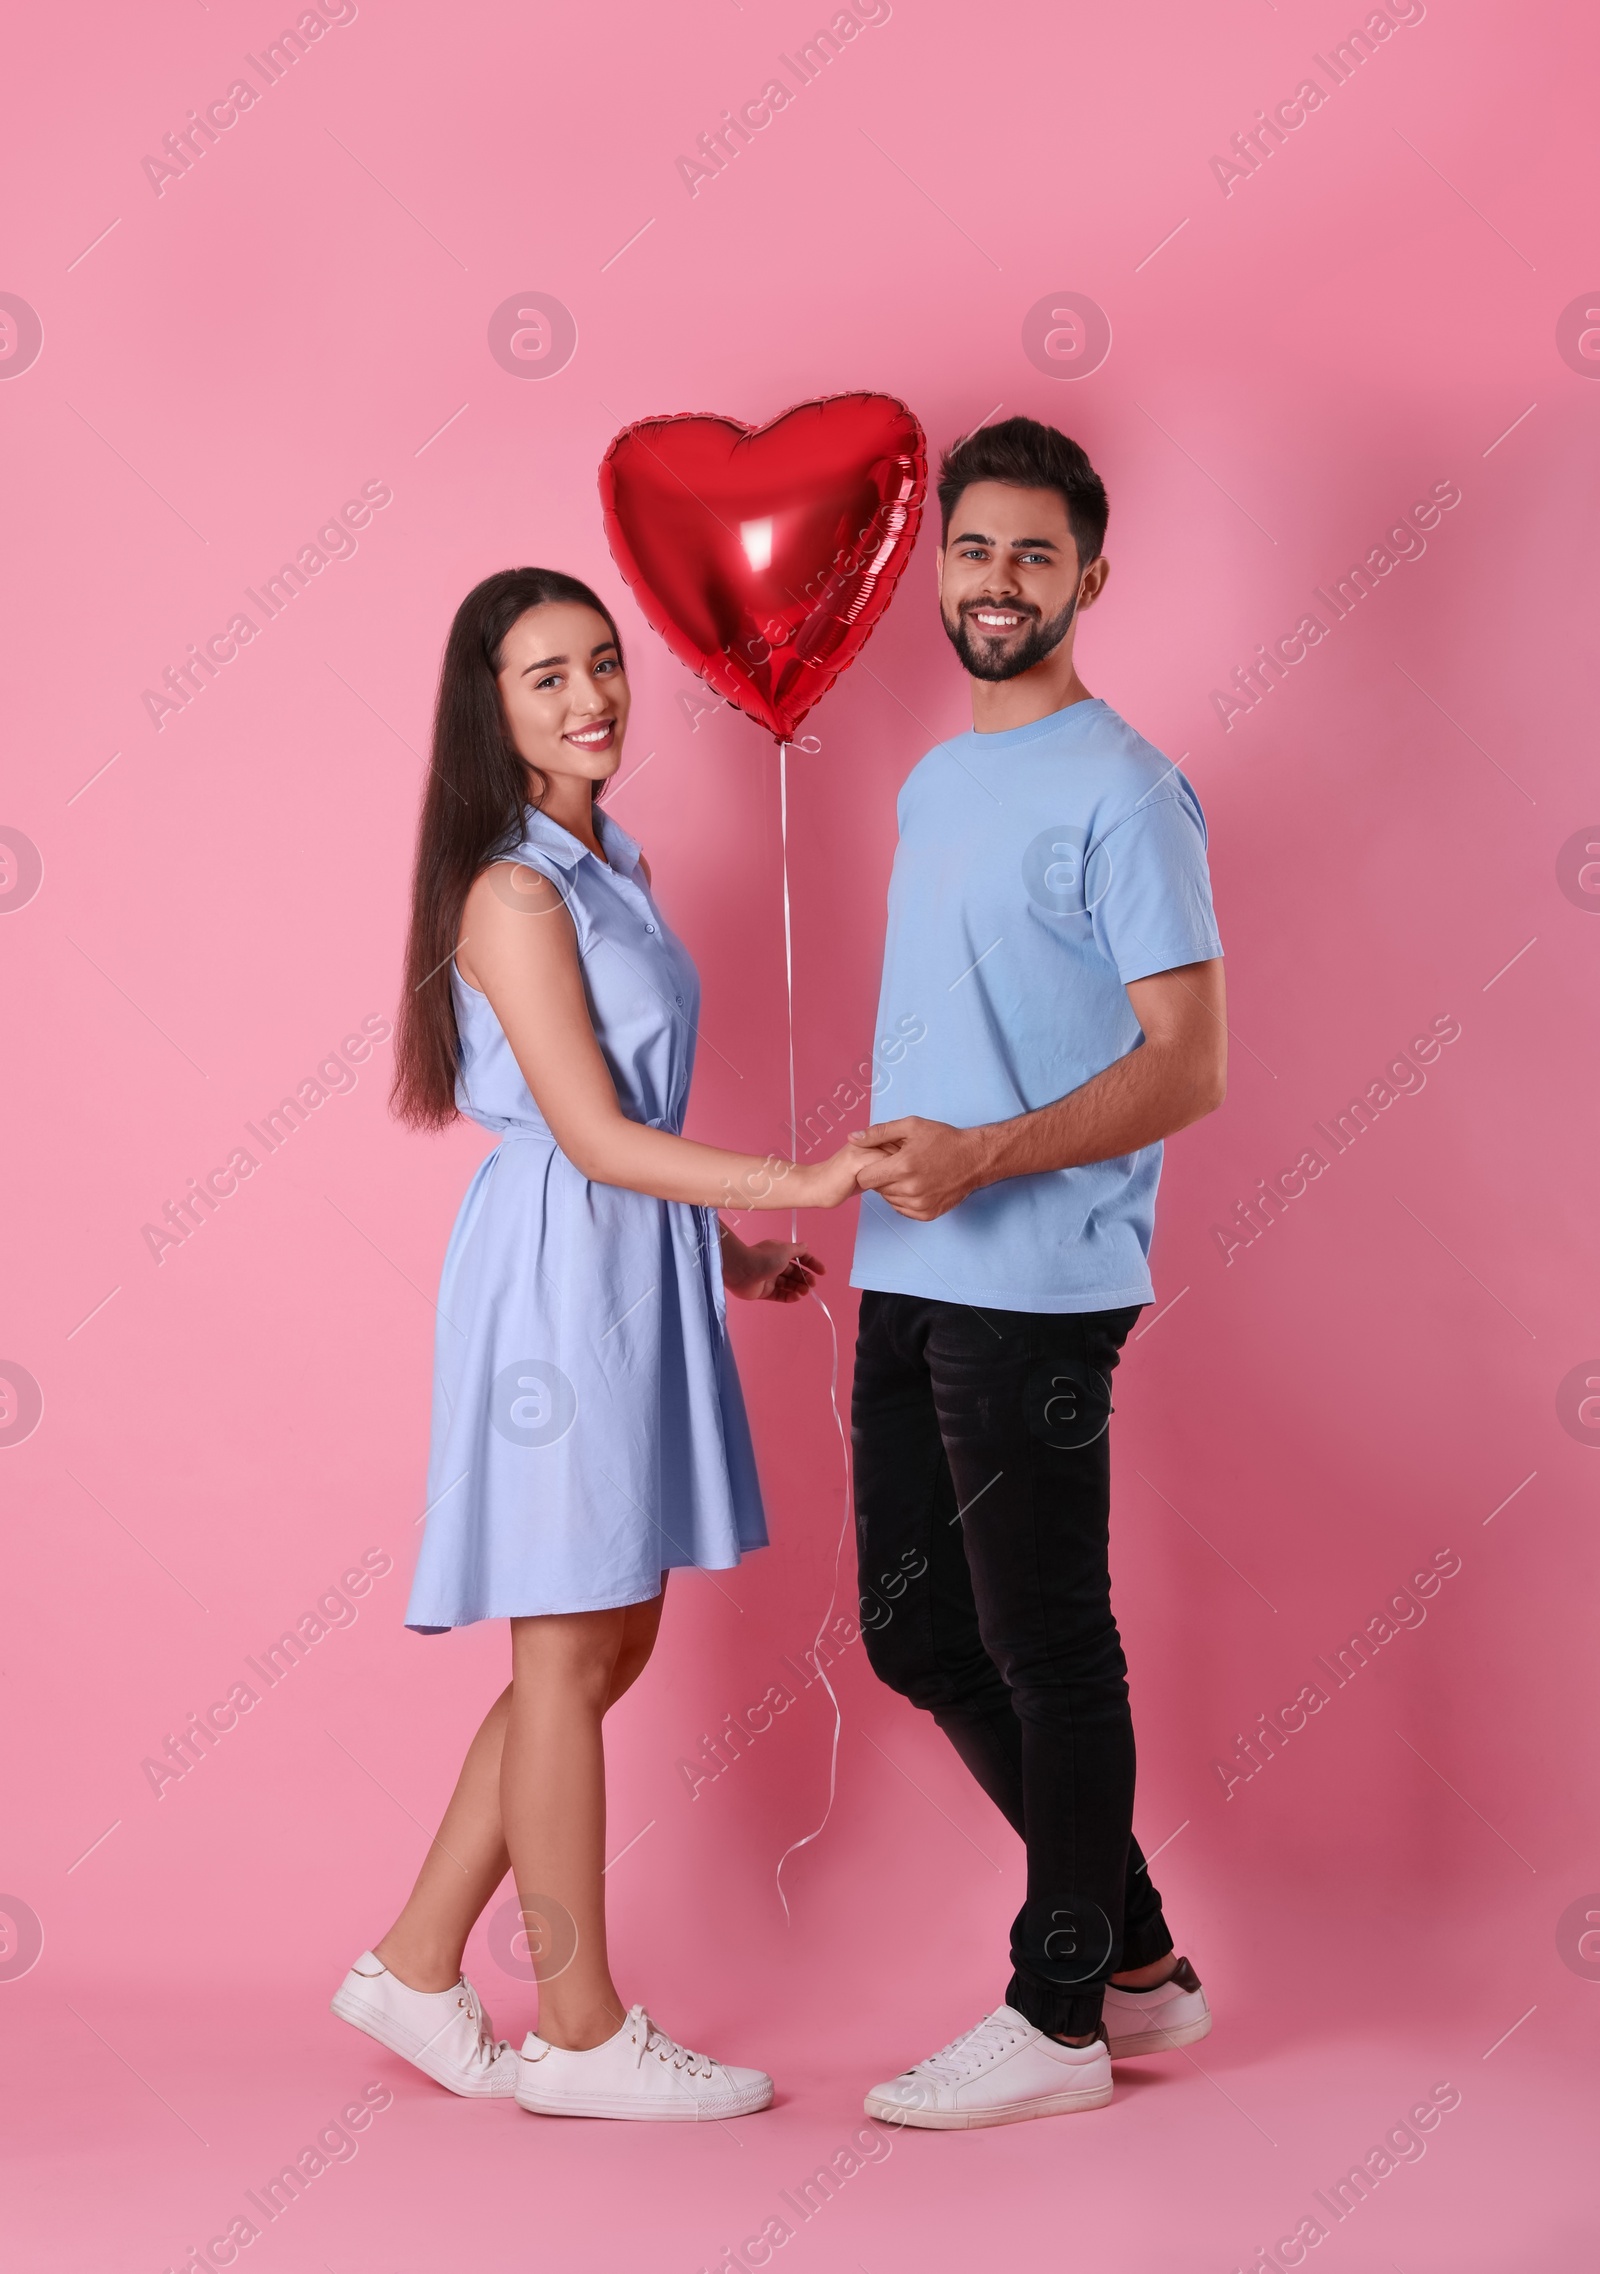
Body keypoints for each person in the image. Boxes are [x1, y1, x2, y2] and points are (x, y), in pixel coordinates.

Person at [331, 567, 866, 2122]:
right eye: (545, 678)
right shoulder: (510, 888)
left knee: (608, 1639)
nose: (591, 699)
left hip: (633, 1254)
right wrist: (796, 1176)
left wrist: (735, 1249)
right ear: (488, 712)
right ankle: (577, 2024)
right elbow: (589, 1130)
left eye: (603, 665)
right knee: (567, 1646)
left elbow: (632, 1129)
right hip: (563, 1274)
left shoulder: (608, 856)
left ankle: (416, 1962)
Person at [849, 417, 1227, 2128]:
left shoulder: (1130, 786)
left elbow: (1189, 1061)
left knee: (1048, 1640)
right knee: (918, 1631)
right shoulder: (935, 776)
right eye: (974, 549)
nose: (999, 582)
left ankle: (1059, 2011)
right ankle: (1136, 1956)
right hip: (904, 1259)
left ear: (1091, 575)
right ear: (942, 567)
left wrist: (987, 1157)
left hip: (1042, 1278)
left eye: (1033, 555)